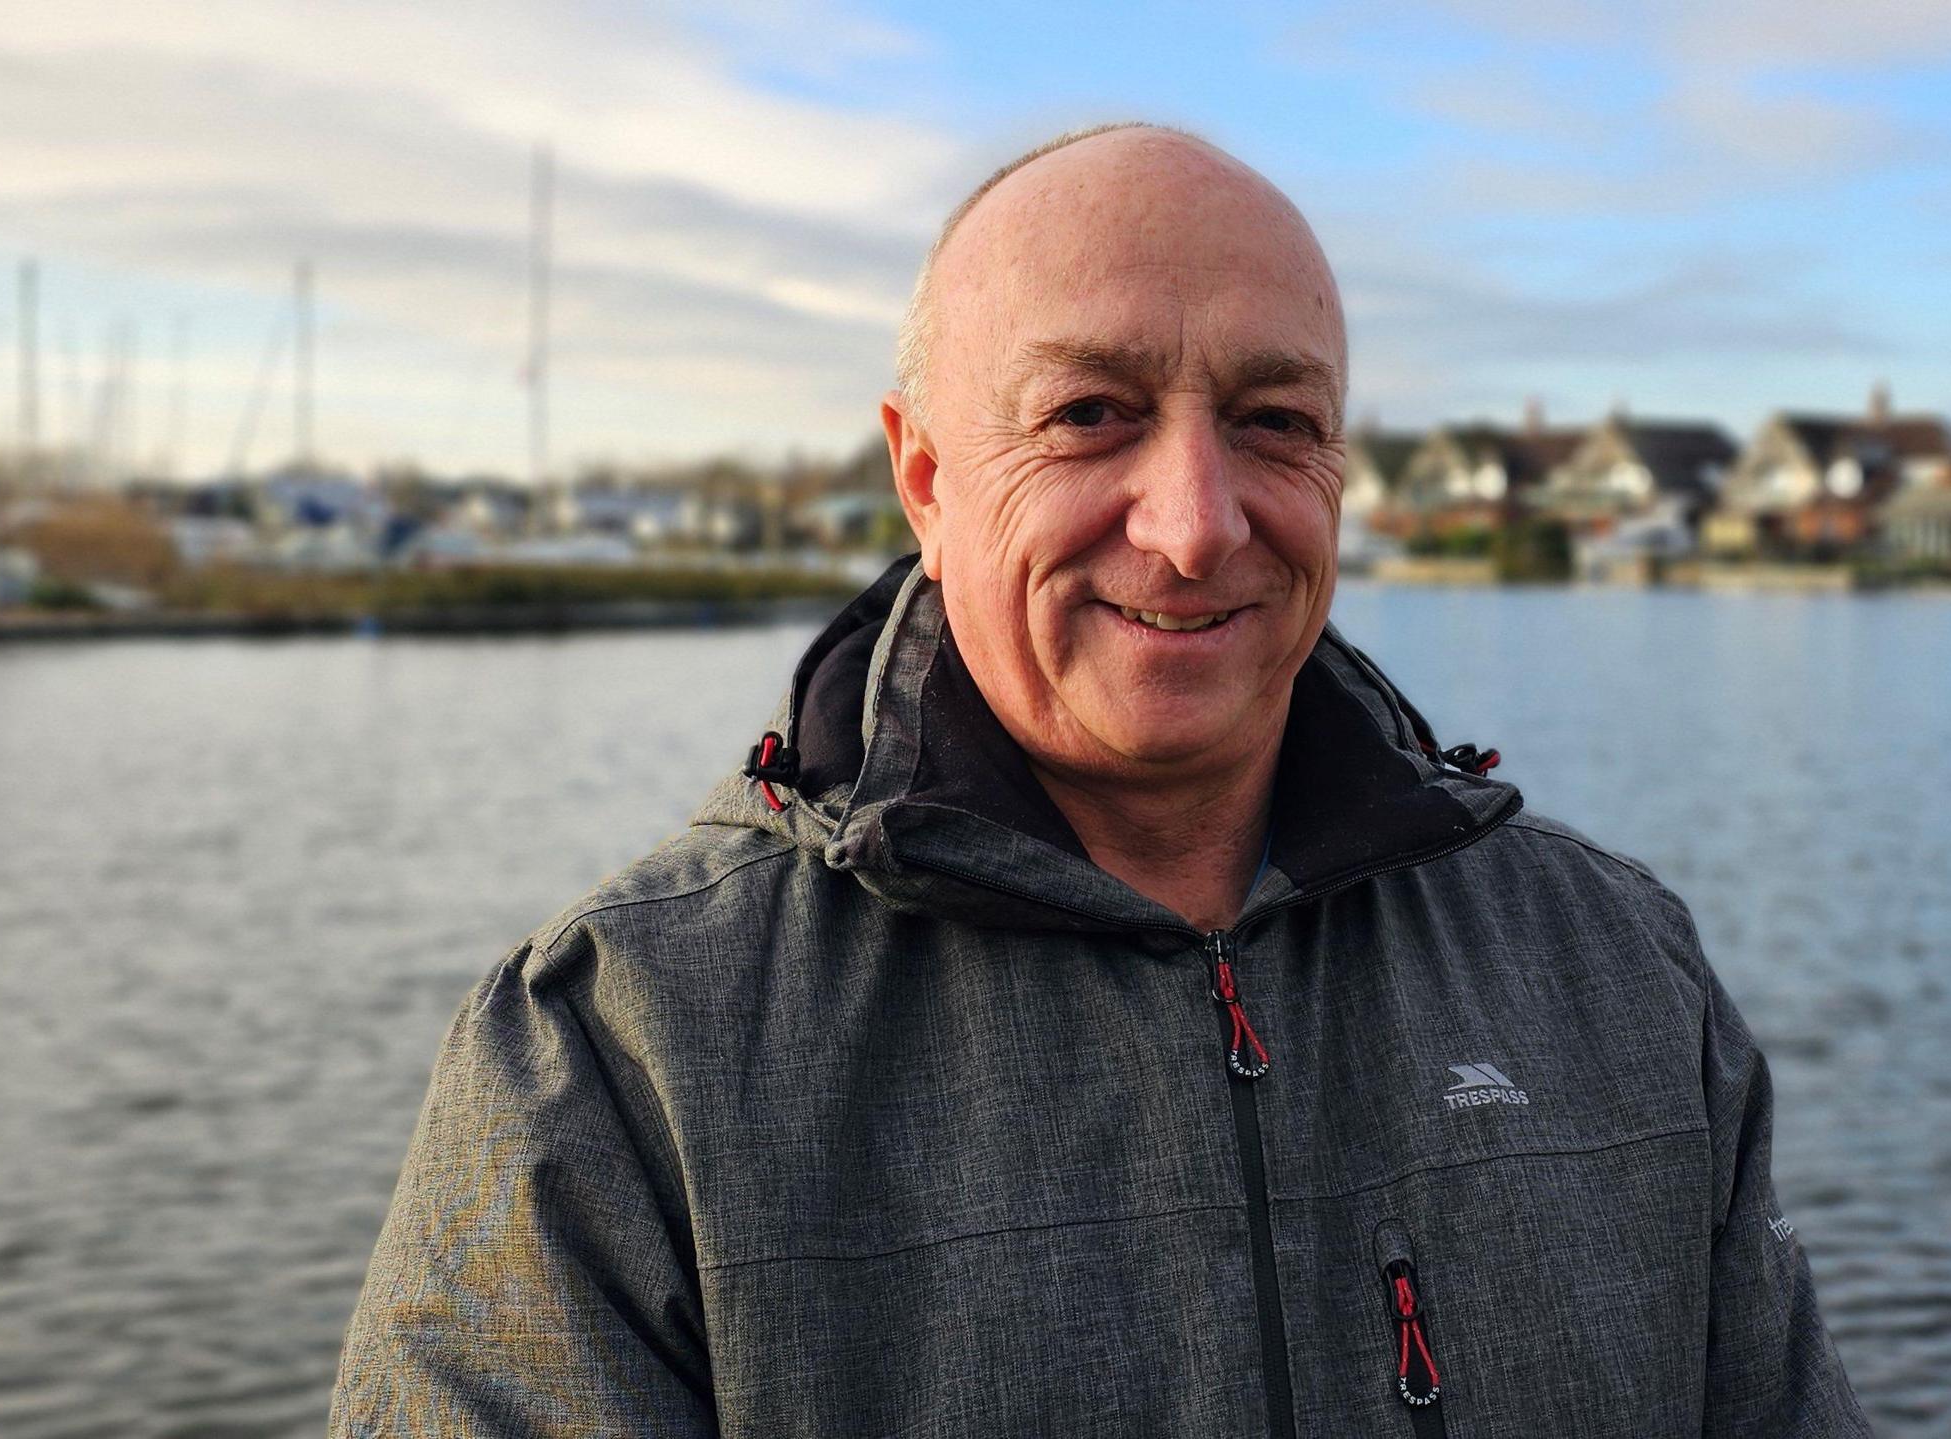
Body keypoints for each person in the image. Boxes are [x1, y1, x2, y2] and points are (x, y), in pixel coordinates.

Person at [329, 123, 1870, 1436]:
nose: (1197, 524)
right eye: (1089, 416)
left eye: (1274, 422)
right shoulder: (617, 1054)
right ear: (925, 476)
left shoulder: (1613, 974)